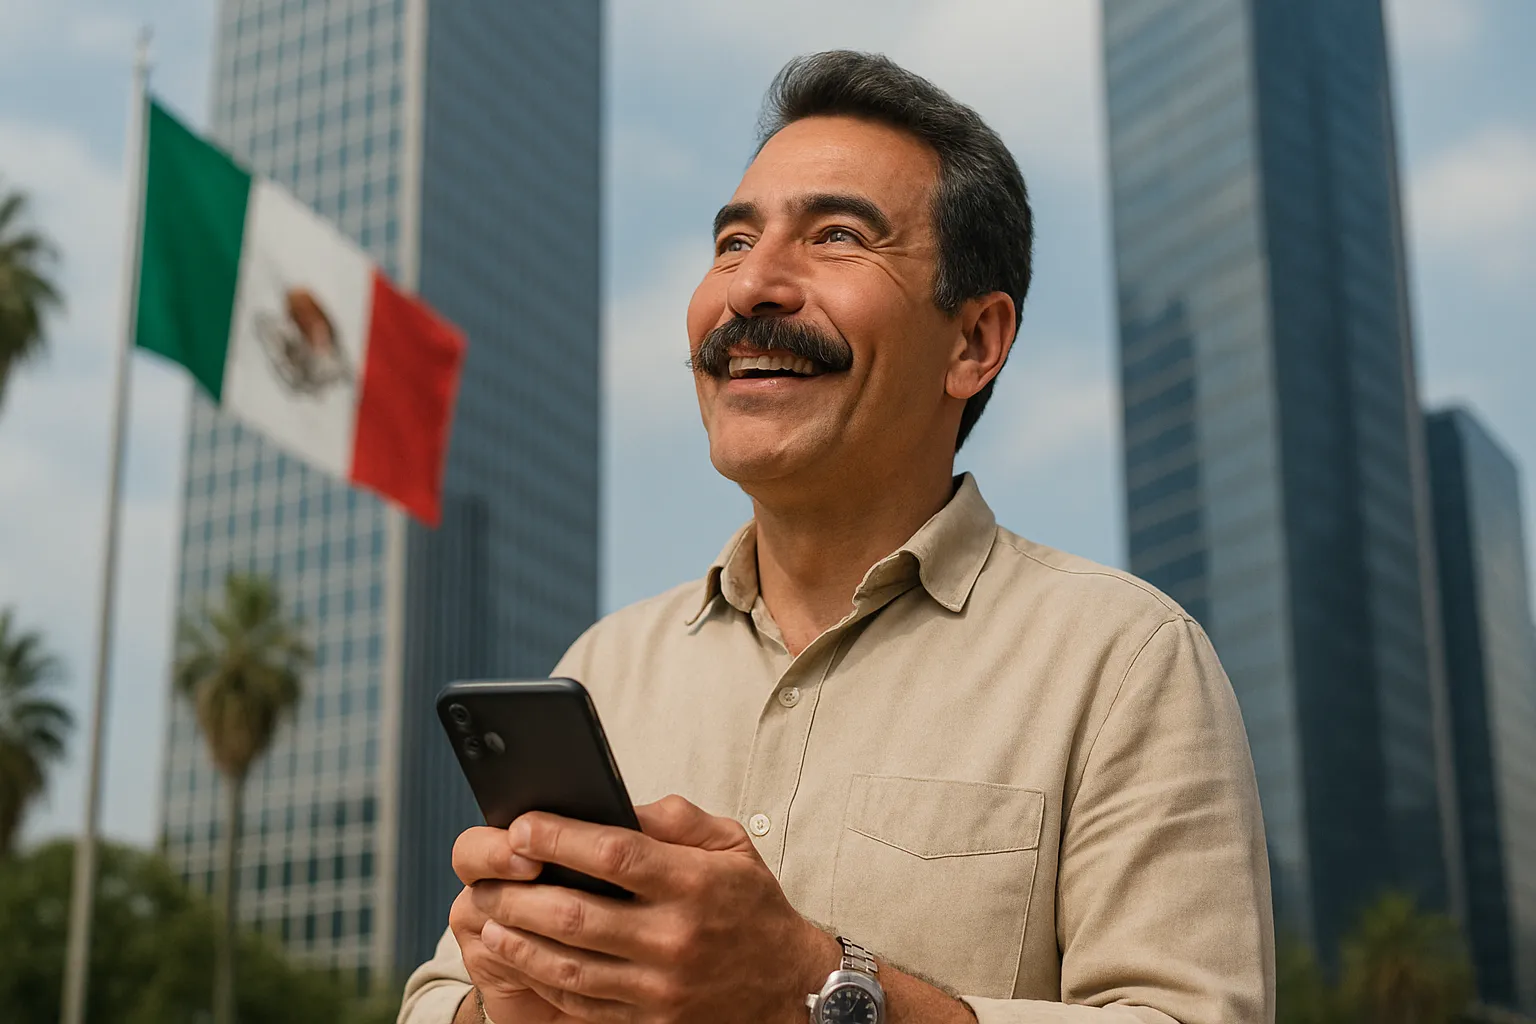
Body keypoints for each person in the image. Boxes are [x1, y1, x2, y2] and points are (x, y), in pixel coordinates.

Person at [399, 51, 1274, 1024]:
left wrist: (810, 987)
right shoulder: (604, 667)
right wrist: (508, 1000)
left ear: (974, 342)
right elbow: (439, 998)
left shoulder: (1123, 659)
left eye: (837, 235)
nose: (753, 287)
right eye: (732, 242)